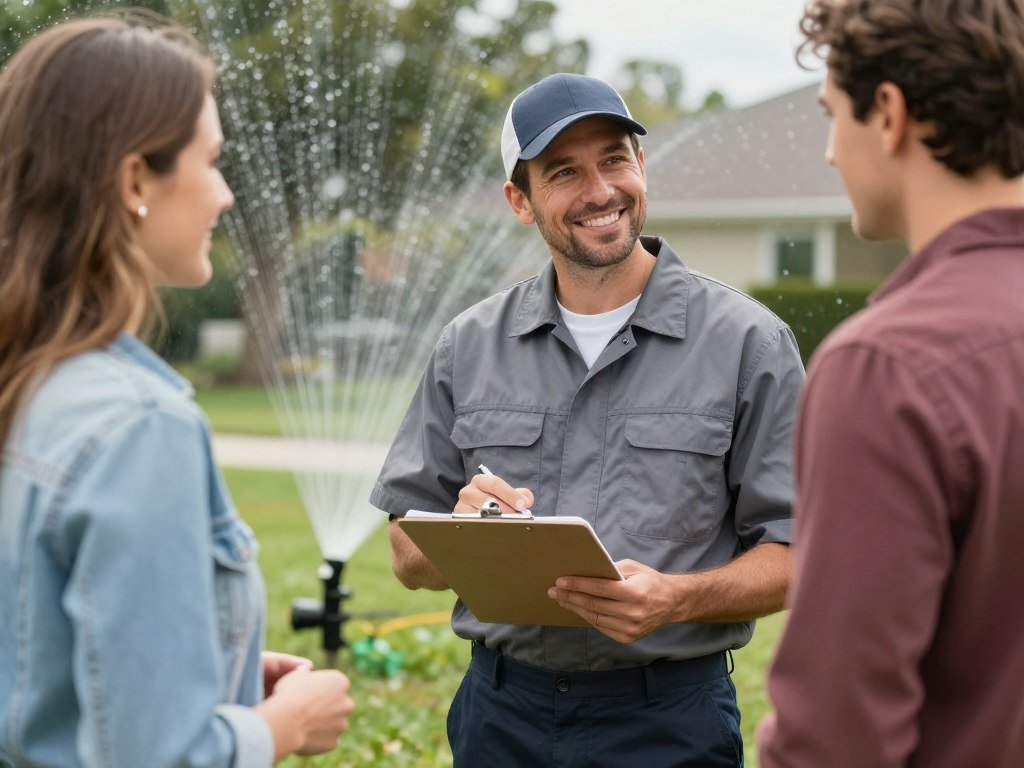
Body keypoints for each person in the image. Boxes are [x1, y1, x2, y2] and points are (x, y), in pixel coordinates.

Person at [370, 72, 804, 767]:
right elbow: (406, 554)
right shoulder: (468, 345)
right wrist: (462, 525)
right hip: (499, 717)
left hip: (668, 721)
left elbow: (799, 555)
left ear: (641, 166)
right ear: (520, 200)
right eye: (564, 171)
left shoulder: (749, 343)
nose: (599, 190)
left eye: (613, 158)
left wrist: (677, 599)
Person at [0, 13, 353, 767]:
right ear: (135, 180)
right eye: (212, 161)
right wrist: (283, 727)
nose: (225, 195)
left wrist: (207, 670)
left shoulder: (23, 383)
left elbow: (31, 668)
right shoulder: (139, 424)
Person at [757, 2, 1024, 766]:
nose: (834, 154)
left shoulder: (887, 366)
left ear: (889, 114)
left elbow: (836, 740)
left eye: (832, 116)